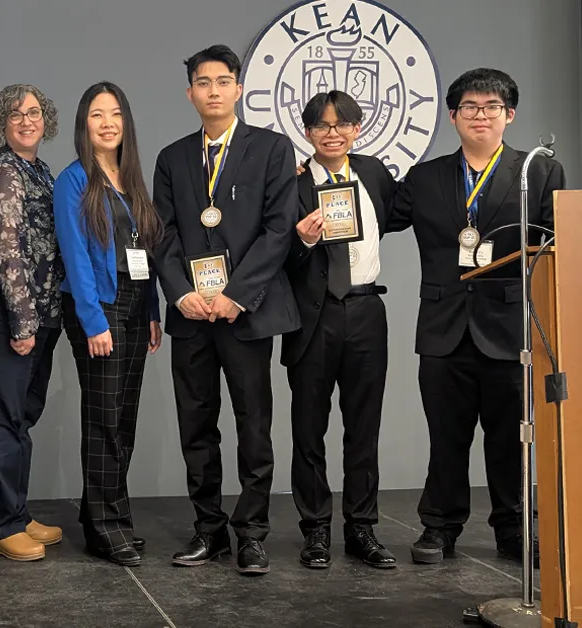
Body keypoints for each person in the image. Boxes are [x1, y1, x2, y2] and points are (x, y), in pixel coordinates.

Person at [387, 68, 564, 565]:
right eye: (469, 107)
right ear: (453, 116)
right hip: (443, 326)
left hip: (510, 329)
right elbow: (374, 214)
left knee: (511, 437)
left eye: (491, 107)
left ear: (509, 115)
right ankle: (438, 527)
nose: (480, 116)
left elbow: (556, 245)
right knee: (446, 436)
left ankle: (512, 529)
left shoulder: (540, 172)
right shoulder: (426, 177)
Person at [152, 45, 300, 575]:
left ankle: (253, 532)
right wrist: (180, 292)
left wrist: (237, 293)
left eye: (222, 81)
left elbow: (280, 228)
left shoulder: (271, 148)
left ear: (239, 88)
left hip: (247, 312)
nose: (212, 90)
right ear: (189, 92)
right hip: (192, 313)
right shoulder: (172, 157)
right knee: (196, 423)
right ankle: (208, 530)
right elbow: (162, 235)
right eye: (202, 82)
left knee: (253, 423)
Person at [283, 91, 397, 570]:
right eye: (322, 125)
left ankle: (362, 528)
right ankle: (315, 531)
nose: (333, 132)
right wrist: (303, 241)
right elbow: (274, 258)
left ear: (358, 128)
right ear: (307, 133)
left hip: (367, 309)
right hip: (314, 314)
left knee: (364, 427)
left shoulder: (373, 174)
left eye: (342, 124)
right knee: (309, 427)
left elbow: (394, 220)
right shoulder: (290, 184)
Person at [55, 81, 163, 567]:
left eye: (115, 113)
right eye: (97, 114)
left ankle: (112, 516)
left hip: (137, 304)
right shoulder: (74, 179)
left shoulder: (132, 178)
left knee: (125, 418)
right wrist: (92, 318)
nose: (107, 123)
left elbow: (146, 252)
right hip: (99, 307)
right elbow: (75, 255)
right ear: (84, 124)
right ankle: (103, 526)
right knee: (103, 418)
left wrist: (154, 309)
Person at [0, 84, 64, 562]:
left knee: (22, 417)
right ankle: (1, 526)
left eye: (33, 112)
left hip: (44, 314)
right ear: (1, 123)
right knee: (2, 420)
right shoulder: (5, 173)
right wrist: (23, 323)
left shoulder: (41, 173)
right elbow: (5, 248)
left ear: (45, 119)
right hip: (8, 316)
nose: (26, 120)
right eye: (15, 114)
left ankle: (18, 512)